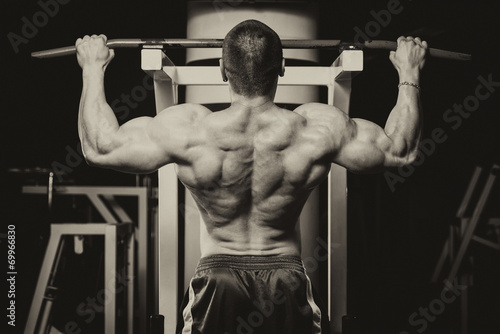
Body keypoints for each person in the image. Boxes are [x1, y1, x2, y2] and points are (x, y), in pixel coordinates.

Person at [75, 19, 427, 334]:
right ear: (283, 68)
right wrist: (409, 72)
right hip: (286, 282)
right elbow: (400, 150)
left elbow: (99, 147)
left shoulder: (188, 130)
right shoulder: (316, 128)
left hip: (217, 281)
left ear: (222, 70)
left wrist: (92, 68)